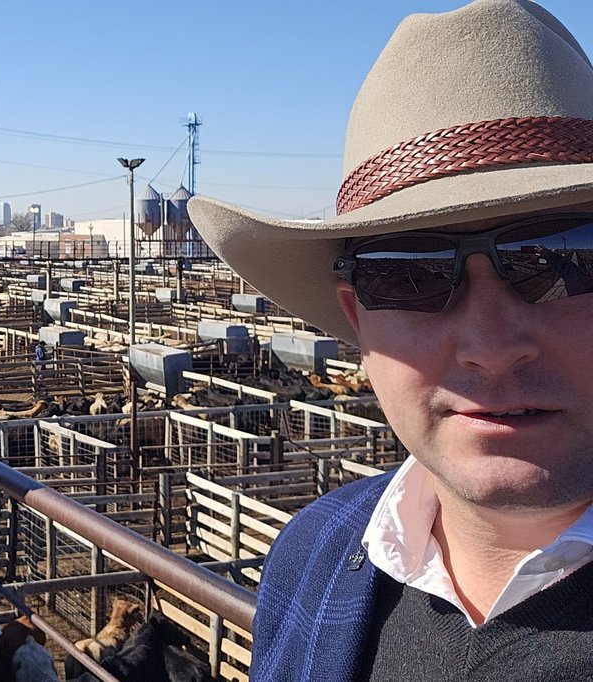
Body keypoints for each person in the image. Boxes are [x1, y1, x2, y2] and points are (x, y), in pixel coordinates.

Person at [189, 1, 593, 678]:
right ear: (357, 319)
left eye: (567, 259)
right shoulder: (310, 556)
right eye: (408, 276)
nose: (490, 345)